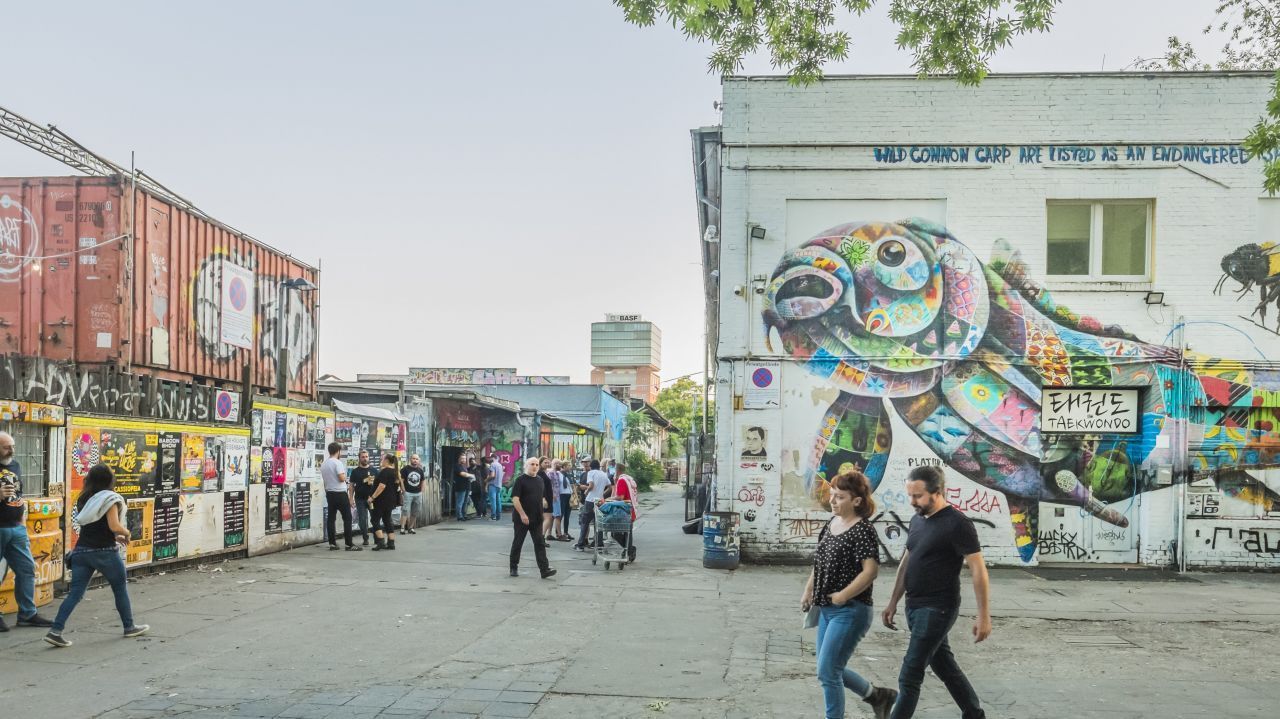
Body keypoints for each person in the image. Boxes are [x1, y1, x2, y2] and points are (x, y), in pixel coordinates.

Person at [881, 466, 991, 719]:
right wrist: (892, 602)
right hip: (914, 606)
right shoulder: (918, 519)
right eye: (909, 495)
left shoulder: (958, 524)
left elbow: (978, 570)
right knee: (945, 667)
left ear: (938, 492)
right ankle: (974, 714)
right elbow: (907, 562)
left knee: (910, 673)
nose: (912, 502)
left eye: (917, 496)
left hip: (938, 608)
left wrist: (983, 615)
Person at [801, 470, 896, 719]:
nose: (832, 501)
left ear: (856, 501)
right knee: (829, 668)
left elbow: (870, 571)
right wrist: (809, 589)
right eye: (832, 495)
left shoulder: (862, 530)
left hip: (851, 610)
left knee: (828, 672)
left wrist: (844, 594)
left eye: (839, 497)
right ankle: (878, 696)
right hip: (826, 609)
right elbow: (819, 562)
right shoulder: (831, 523)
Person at [43, 464, 149, 647]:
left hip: (82, 551)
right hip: (105, 551)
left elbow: (93, 524)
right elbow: (113, 526)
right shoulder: (110, 499)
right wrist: (127, 533)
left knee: (75, 593)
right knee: (119, 588)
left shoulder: (84, 498)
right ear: (110, 480)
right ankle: (129, 626)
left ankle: (55, 631)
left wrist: (115, 534)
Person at [0, 431, 54, 632]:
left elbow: (19, 494)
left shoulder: (15, 466)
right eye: (6, 447)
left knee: (26, 569)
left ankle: (27, 614)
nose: (12, 450)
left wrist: (23, 520)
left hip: (16, 528)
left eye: (12, 445)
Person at [509, 458, 555, 579]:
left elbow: (541, 496)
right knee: (518, 543)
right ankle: (513, 566)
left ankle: (544, 570)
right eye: (532, 464)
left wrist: (544, 501)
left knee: (539, 543)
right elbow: (515, 499)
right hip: (522, 519)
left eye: (536, 464)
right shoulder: (520, 480)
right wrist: (523, 515)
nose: (534, 466)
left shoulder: (540, 480)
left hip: (536, 518)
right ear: (526, 466)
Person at [321, 442, 360, 551]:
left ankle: (332, 543)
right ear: (338, 451)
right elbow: (341, 478)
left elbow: (325, 481)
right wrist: (345, 477)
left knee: (331, 519)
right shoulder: (337, 463)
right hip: (340, 493)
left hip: (329, 493)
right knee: (347, 518)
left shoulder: (324, 464)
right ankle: (349, 544)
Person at [575, 459, 611, 551]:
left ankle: (580, 544)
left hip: (590, 500)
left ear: (591, 466)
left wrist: (587, 491)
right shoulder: (603, 474)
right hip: (599, 501)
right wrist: (602, 494)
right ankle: (599, 544)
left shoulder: (591, 473)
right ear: (599, 466)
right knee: (598, 522)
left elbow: (591, 485)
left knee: (585, 522)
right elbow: (610, 487)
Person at [607, 462, 639, 562]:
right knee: (627, 533)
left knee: (615, 533)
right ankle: (629, 551)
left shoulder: (621, 480)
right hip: (631, 510)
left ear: (617, 470)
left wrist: (610, 499)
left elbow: (620, 497)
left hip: (624, 512)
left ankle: (629, 550)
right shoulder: (628, 479)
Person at [369, 454, 402, 551]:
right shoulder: (395, 472)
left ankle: (381, 541)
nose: (381, 460)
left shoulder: (385, 472)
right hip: (391, 501)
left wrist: (372, 497)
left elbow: (382, 486)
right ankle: (391, 543)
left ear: (387, 460)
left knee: (374, 520)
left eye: (382, 459)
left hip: (381, 500)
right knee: (387, 520)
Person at [350, 450, 376, 545]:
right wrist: (351, 498)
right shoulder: (355, 471)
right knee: (362, 520)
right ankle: (365, 538)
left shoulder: (374, 470)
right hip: (360, 499)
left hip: (372, 499)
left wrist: (375, 496)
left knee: (374, 518)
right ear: (359, 458)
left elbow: (380, 485)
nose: (365, 458)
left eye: (366, 456)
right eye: (363, 457)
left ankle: (377, 537)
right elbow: (352, 485)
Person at [399, 454, 426, 535]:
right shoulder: (405, 469)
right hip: (408, 493)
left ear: (419, 460)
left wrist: (422, 490)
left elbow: (423, 481)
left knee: (415, 511)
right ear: (410, 459)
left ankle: (410, 527)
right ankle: (402, 528)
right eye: (413, 458)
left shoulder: (420, 470)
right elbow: (401, 480)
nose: (415, 460)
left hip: (418, 493)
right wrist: (403, 490)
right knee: (405, 510)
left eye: (417, 459)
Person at [537, 457, 555, 538]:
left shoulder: (544, 472)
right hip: (545, 498)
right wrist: (543, 498)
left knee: (546, 518)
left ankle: (541, 536)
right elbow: (541, 487)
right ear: (540, 463)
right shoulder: (540, 473)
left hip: (548, 497)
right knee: (548, 518)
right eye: (545, 462)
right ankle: (541, 537)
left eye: (548, 462)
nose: (547, 464)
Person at [453, 455, 474, 521]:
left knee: (465, 502)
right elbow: (463, 474)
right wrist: (471, 475)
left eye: (465, 458)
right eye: (462, 458)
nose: (464, 460)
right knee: (460, 502)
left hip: (466, 487)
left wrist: (470, 476)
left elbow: (466, 475)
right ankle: (459, 516)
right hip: (460, 487)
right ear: (459, 459)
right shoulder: (457, 466)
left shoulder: (464, 466)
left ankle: (464, 515)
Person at [558, 460, 575, 540]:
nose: (570, 467)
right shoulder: (559, 474)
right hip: (562, 495)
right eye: (568, 465)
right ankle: (558, 532)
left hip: (568, 495)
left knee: (567, 515)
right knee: (561, 514)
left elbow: (571, 485)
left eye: (570, 465)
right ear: (564, 466)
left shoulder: (568, 475)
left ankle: (566, 532)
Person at [471, 456, 489, 520]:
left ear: (481, 461)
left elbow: (487, 478)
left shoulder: (484, 468)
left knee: (481, 501)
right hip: (482, 486)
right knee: (483, 500)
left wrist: (486, 486)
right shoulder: (483, 467)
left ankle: (479, 514)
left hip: (483, 486)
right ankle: (484, 513)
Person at [487, 455, 504, 521]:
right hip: (499, 485)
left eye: (491, 458)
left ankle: (493, 516)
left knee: (493, 501)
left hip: (493, 485)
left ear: (493, 458)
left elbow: (492, 475)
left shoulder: (493, 464)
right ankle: (498, 516)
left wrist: (486, 480)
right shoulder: (500, 465)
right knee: (498, 501)